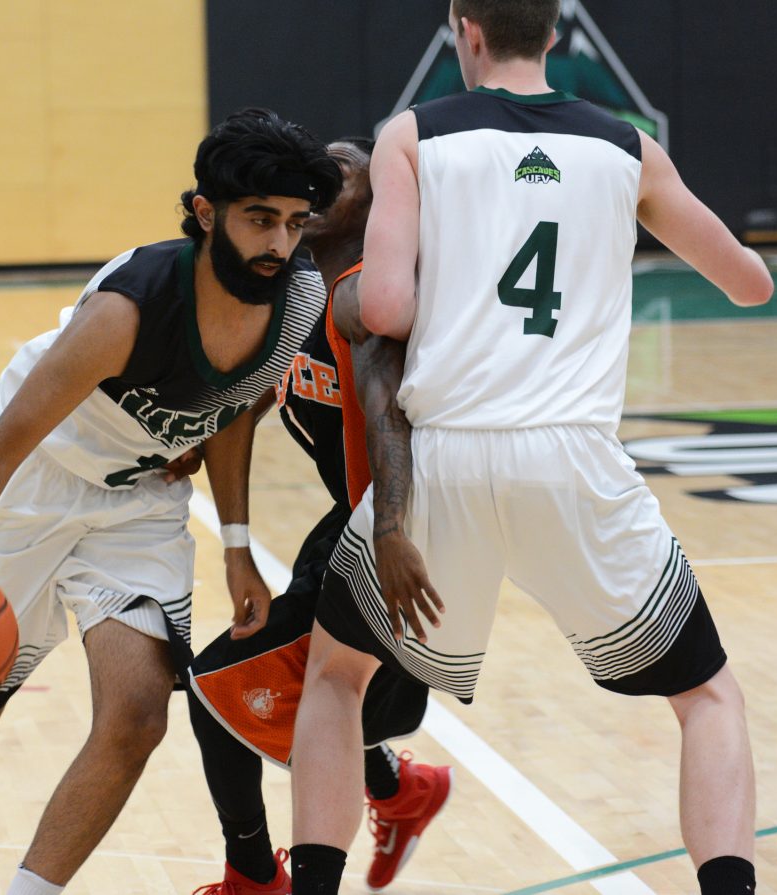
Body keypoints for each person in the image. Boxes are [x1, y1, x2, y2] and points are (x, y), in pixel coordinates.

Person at [288, 2, 775, 895]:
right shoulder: (625, 148)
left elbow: (386, 310)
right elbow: (750, 285)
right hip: (574, 463)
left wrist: (363, 300)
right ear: (553, 35)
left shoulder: (412, 135)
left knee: (336, 677)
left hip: (447, 460)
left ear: (463, 30)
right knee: (707, 698)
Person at [0, 107, 342, 895]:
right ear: (205, 213)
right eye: (261, 220)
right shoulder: (128, 308)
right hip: (31, 478)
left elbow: (230, 410)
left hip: (136, 500)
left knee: (137, 716)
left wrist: (236, 545)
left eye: (295, 224)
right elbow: (1, 443)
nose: (279, 245)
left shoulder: (296, 301)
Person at [188, 140, 451, 895]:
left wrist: (394, 531)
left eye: (353, 162)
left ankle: (253, 879)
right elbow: (258, 392)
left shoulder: (385, 295)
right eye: (324, 164)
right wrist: (197, 437)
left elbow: (391, 420)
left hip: (403, 529)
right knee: (323, 696)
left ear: (386, 196)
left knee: (218, 687)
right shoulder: (301, 294)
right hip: (348, 521)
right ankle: (398, 789)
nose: (334, 167)